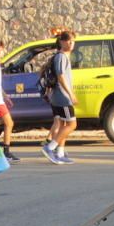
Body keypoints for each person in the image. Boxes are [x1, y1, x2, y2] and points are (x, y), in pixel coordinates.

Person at [41, 30, 77, 164]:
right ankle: (50, 147)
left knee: (63, 124)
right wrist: (70, 94)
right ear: (62, 42)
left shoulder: (63, 56)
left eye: (73, 41)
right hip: (62, 96)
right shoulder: (61, 57)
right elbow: (61, 76)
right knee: (72, 124)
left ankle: (60, 153)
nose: (72, 43)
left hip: (60, 96)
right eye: (69, 41)